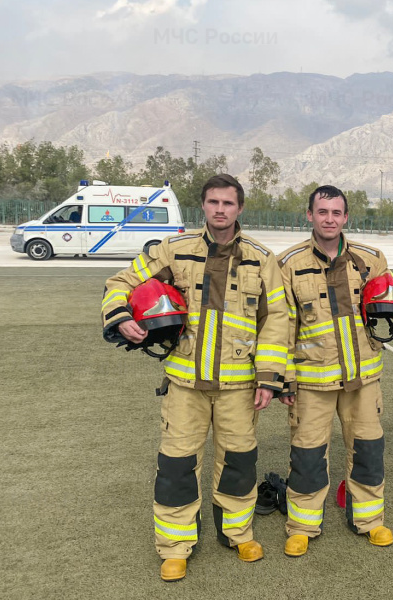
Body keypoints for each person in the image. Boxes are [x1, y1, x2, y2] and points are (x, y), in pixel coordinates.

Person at [101, 174, 289, 581]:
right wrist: (119, 314)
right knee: (177, 466)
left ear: (240, 208)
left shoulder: (263, 258)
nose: (220, 209)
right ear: (202, 206)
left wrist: (269, 377)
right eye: (213, 202)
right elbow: (121, 281)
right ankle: (174, 546)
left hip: (240, 388)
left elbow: (276, 319)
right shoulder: (174, 249)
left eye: (228, 203)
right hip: (185, 386)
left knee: (239, 463)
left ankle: (237, 532)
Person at [277, 185, 393, 557]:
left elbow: (392, 300)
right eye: (322, 212)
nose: (329, 219)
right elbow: (280, 326)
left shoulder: (371, 259)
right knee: (308, 456)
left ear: (346, 218)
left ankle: (370, 521)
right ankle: (302, 526)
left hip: (364, 379)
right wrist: (284, 378)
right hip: (312, 381)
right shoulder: (288, 263)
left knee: (369, 452)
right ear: (309, 215)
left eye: (336, 213)